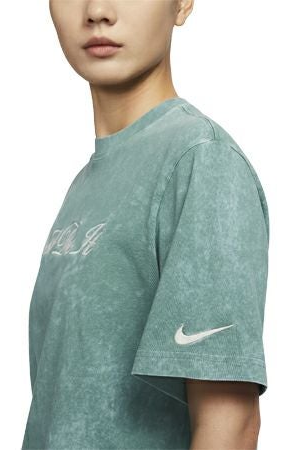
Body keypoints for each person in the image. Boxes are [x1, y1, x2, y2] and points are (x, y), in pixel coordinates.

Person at [22, 1, 270, 449]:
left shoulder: (201, 161)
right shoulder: (89, 182)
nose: (97, 10)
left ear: (183, 4)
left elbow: (229, 428)